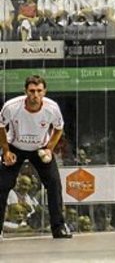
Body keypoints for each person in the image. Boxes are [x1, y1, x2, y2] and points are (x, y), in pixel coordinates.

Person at [0, 75, 72, 239]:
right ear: (25, 91)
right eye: (32, 91)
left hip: (40, 148)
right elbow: (1, 126)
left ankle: (59, 228)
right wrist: (6, 151)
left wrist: (49, 149)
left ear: (44, 91)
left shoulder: (52, 108)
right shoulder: (11, 107)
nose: (35, 95)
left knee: (54, 184)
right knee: (2, 185)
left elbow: (58, 128)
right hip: (15, 147)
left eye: (39, 91)